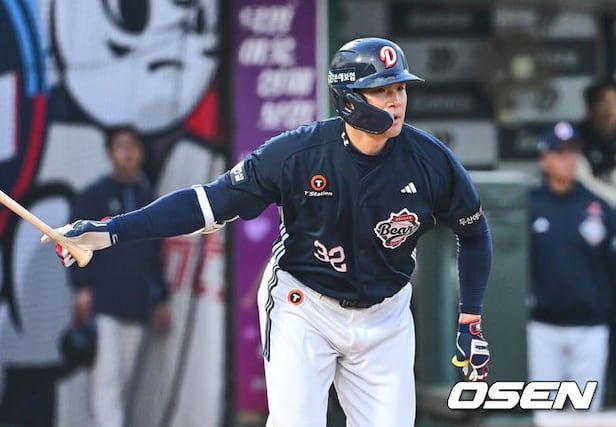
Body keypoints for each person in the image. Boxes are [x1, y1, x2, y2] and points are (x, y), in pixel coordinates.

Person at [46, 38, 492, 426]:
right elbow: (208, 203)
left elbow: (473, 232)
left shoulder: (432, 162)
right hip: (306, 305)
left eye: (400, 89)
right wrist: (110, 232)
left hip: (385, 314)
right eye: (381, 90)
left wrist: (470, 315)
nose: (396, 101)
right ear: (349, 99)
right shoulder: (298, 153)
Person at [60, 127, 171, 427]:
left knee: (124, 382)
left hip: (137, 302)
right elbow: (74, 244)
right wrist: (82, 288)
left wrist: (160, 298)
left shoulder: (148, 198)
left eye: (133, 145)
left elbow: (155, 255)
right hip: (103, 303)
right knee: (106, 380)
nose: (128, 152)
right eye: (121, 146)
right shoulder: (93, 197)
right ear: (110, 153)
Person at [528, 120, 616, 414]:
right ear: (545, 157)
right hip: (543, 327)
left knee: (586, 413)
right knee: (545, 413)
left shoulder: (598, 207)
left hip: (590, 327)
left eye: (572, 152)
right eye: (559, 152)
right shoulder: (531, 205)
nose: (567, 159)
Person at [574, 81, 616, 207]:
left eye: (614, 103)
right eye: (604, 103)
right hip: (588, 204)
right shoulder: (576, 137)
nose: (610, 109)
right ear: (590, 108)